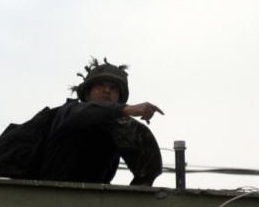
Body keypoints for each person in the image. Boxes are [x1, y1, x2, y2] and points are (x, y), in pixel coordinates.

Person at [36, 58, 164, 185]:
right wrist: (126, 109)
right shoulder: (69, 111)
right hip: (49, 195)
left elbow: (147, 157)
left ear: (119, 97)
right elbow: (87, 113)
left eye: (113, 88)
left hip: (95, 199)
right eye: (100, 85)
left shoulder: (121, 126)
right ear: (87, 94)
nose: (107, 90)